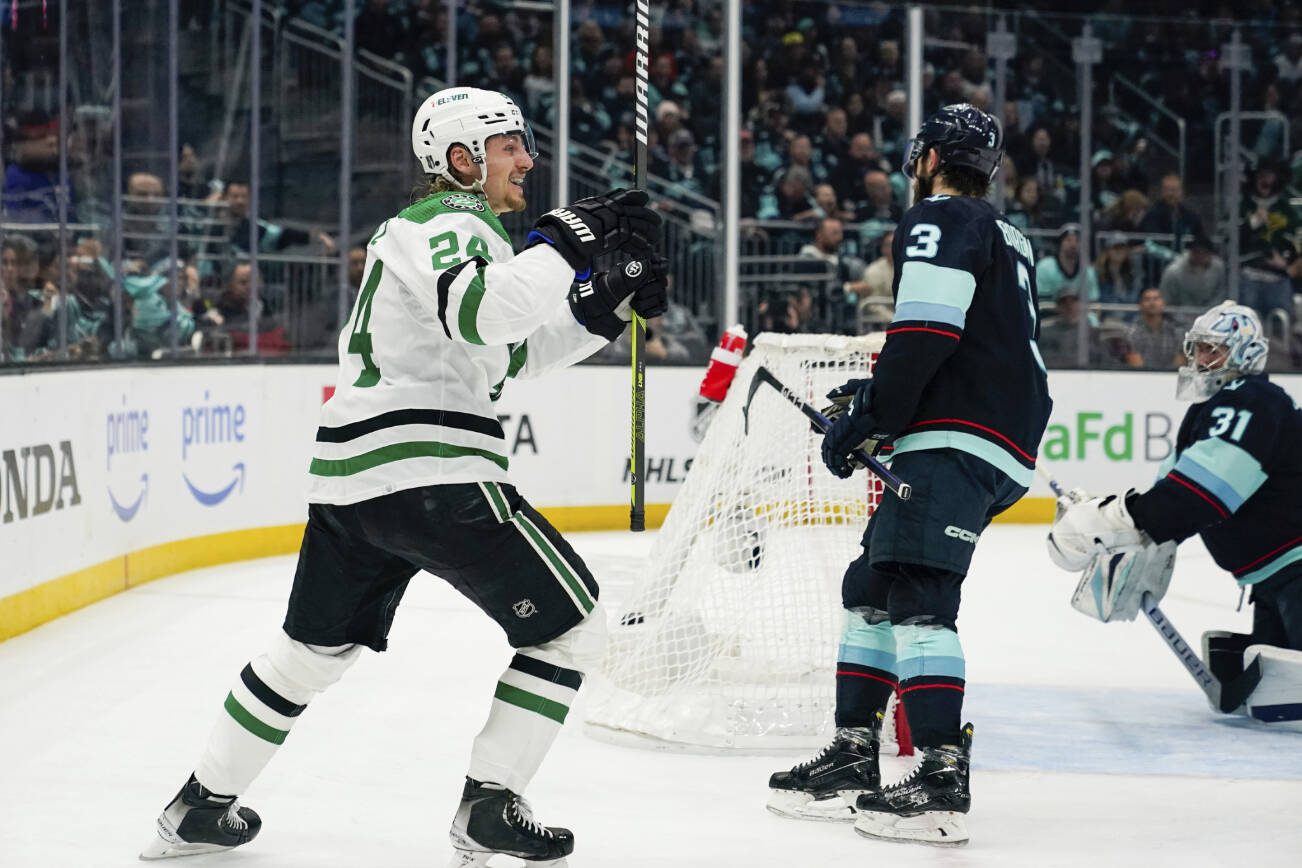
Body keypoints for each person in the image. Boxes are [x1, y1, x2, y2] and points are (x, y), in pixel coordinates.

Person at [140, 86, 665, 865]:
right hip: (434, 473)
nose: (528, 159)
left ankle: (197, 807)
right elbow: (488, 314)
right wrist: (569, 237)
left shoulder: (445, 237)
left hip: (354, 485)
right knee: (571, 627)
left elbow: (513, 351)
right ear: (461, 158)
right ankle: (491, 800)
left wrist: (606, 305)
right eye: (509, 144)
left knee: (308, 654)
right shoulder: (450, 221)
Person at [767, 104, 1051, 847]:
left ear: (928, 159)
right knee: (873, 582)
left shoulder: (941, 217)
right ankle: (853, 755)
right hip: (987, 435)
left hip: (957, 438)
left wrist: (869, 417)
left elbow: (927, 331)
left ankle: (939, 776)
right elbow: (975, 341)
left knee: (921, 592)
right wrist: (876, 402)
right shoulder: (1007, 234)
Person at [1048, 302, 1302, 719]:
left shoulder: (1253, 400)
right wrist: (1119, 530)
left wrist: (1108, 522)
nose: (1201, 360)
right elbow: (1170, 494)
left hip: (1295, 574)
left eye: (1213, 350)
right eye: (1198, 349)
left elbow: (1201, 495)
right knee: (1273, 698)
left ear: (1246, 352)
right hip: (1274, 579)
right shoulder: (1210, 410)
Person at [1035, 223, 1100, 307]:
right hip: (1050, 317)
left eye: (1077, 240)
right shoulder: (1045, 267)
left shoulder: (1088, 271)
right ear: (1060, 243)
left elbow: (1094, 304)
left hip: (1080, 318)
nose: (1073, 245)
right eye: (1068, 240)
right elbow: (1040, 302)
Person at [1159, 234, 1226, 310]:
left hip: (1210, 314)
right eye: (1198, 252)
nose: (1201, 256)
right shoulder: (1173, 271)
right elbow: (1166, 300)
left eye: (1205, 253)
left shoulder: (1219, 267)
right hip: (1179, 316)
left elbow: (1220, 294)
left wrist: (1210, 313)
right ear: (1192, 252)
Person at [1126, 287, 1186, 370]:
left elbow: (1179, 365)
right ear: (1140, 305)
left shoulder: (1176, 331)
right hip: (1142, 378)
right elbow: (1136, 365)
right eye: (1147, 299)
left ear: (1163, 303)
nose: (1152, 302)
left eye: (1156, 298)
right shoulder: (1132, 332)